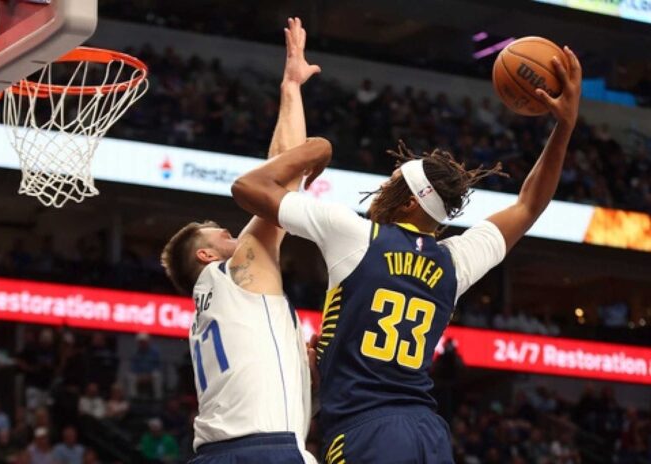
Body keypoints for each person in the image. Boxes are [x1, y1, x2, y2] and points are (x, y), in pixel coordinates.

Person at [231, 47, 582, 463]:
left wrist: (316, 149)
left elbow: (246, 188)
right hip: (427, 433)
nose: (380, 190)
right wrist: (564, 126)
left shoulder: (355, 234)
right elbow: (528, 206)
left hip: (366, 430)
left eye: (391, 184)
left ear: (410, 202)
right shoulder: (455, 261)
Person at [160, 17, 319, 464]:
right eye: (226, 234)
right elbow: (280, 184)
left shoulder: (208, 311)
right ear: (206, 254)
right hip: (262, 450)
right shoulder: (233, 275)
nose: (237, 233)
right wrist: (290, 86)